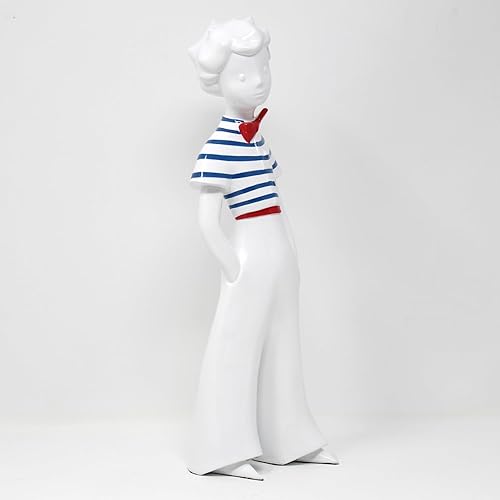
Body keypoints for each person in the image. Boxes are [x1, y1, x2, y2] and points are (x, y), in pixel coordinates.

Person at [186, 17, 338, 481]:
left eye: (263, 71)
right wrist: (233, 267)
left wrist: (291, 250)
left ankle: (288, 439)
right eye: (242, 75)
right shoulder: (218, 146)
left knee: (284, 344)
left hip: (277, 249)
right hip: (249, 250)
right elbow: (208, 220)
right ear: (218, 81)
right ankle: (222, 448)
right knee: (236, 346)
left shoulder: (257, 139)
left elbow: (276, 197)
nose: (257, 83)